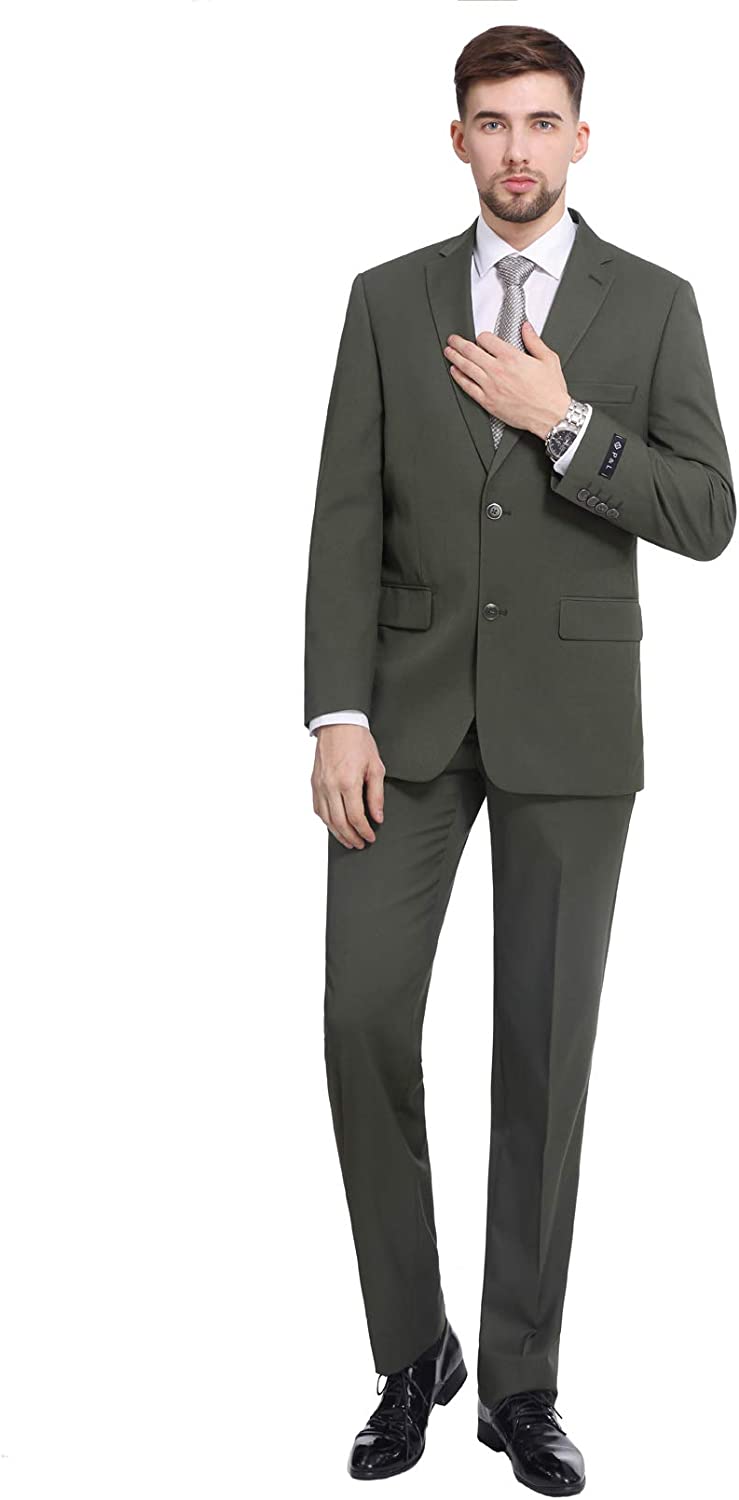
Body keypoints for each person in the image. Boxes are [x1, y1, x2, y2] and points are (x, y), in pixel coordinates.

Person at [303, 23, 735, 1496]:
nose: (517, 150)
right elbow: (344, 517)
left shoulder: (655, 305)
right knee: (362, 1019)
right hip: (404, 723)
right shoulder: (387, 299)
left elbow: (707, 511)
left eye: (543, 123)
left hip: (573, 725)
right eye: (492, 123)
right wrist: (336, 711)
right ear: (458, 139)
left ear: (581, 139)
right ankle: (411, 1348)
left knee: (545, 1059)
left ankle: (522, 1382)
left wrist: (570, 426)